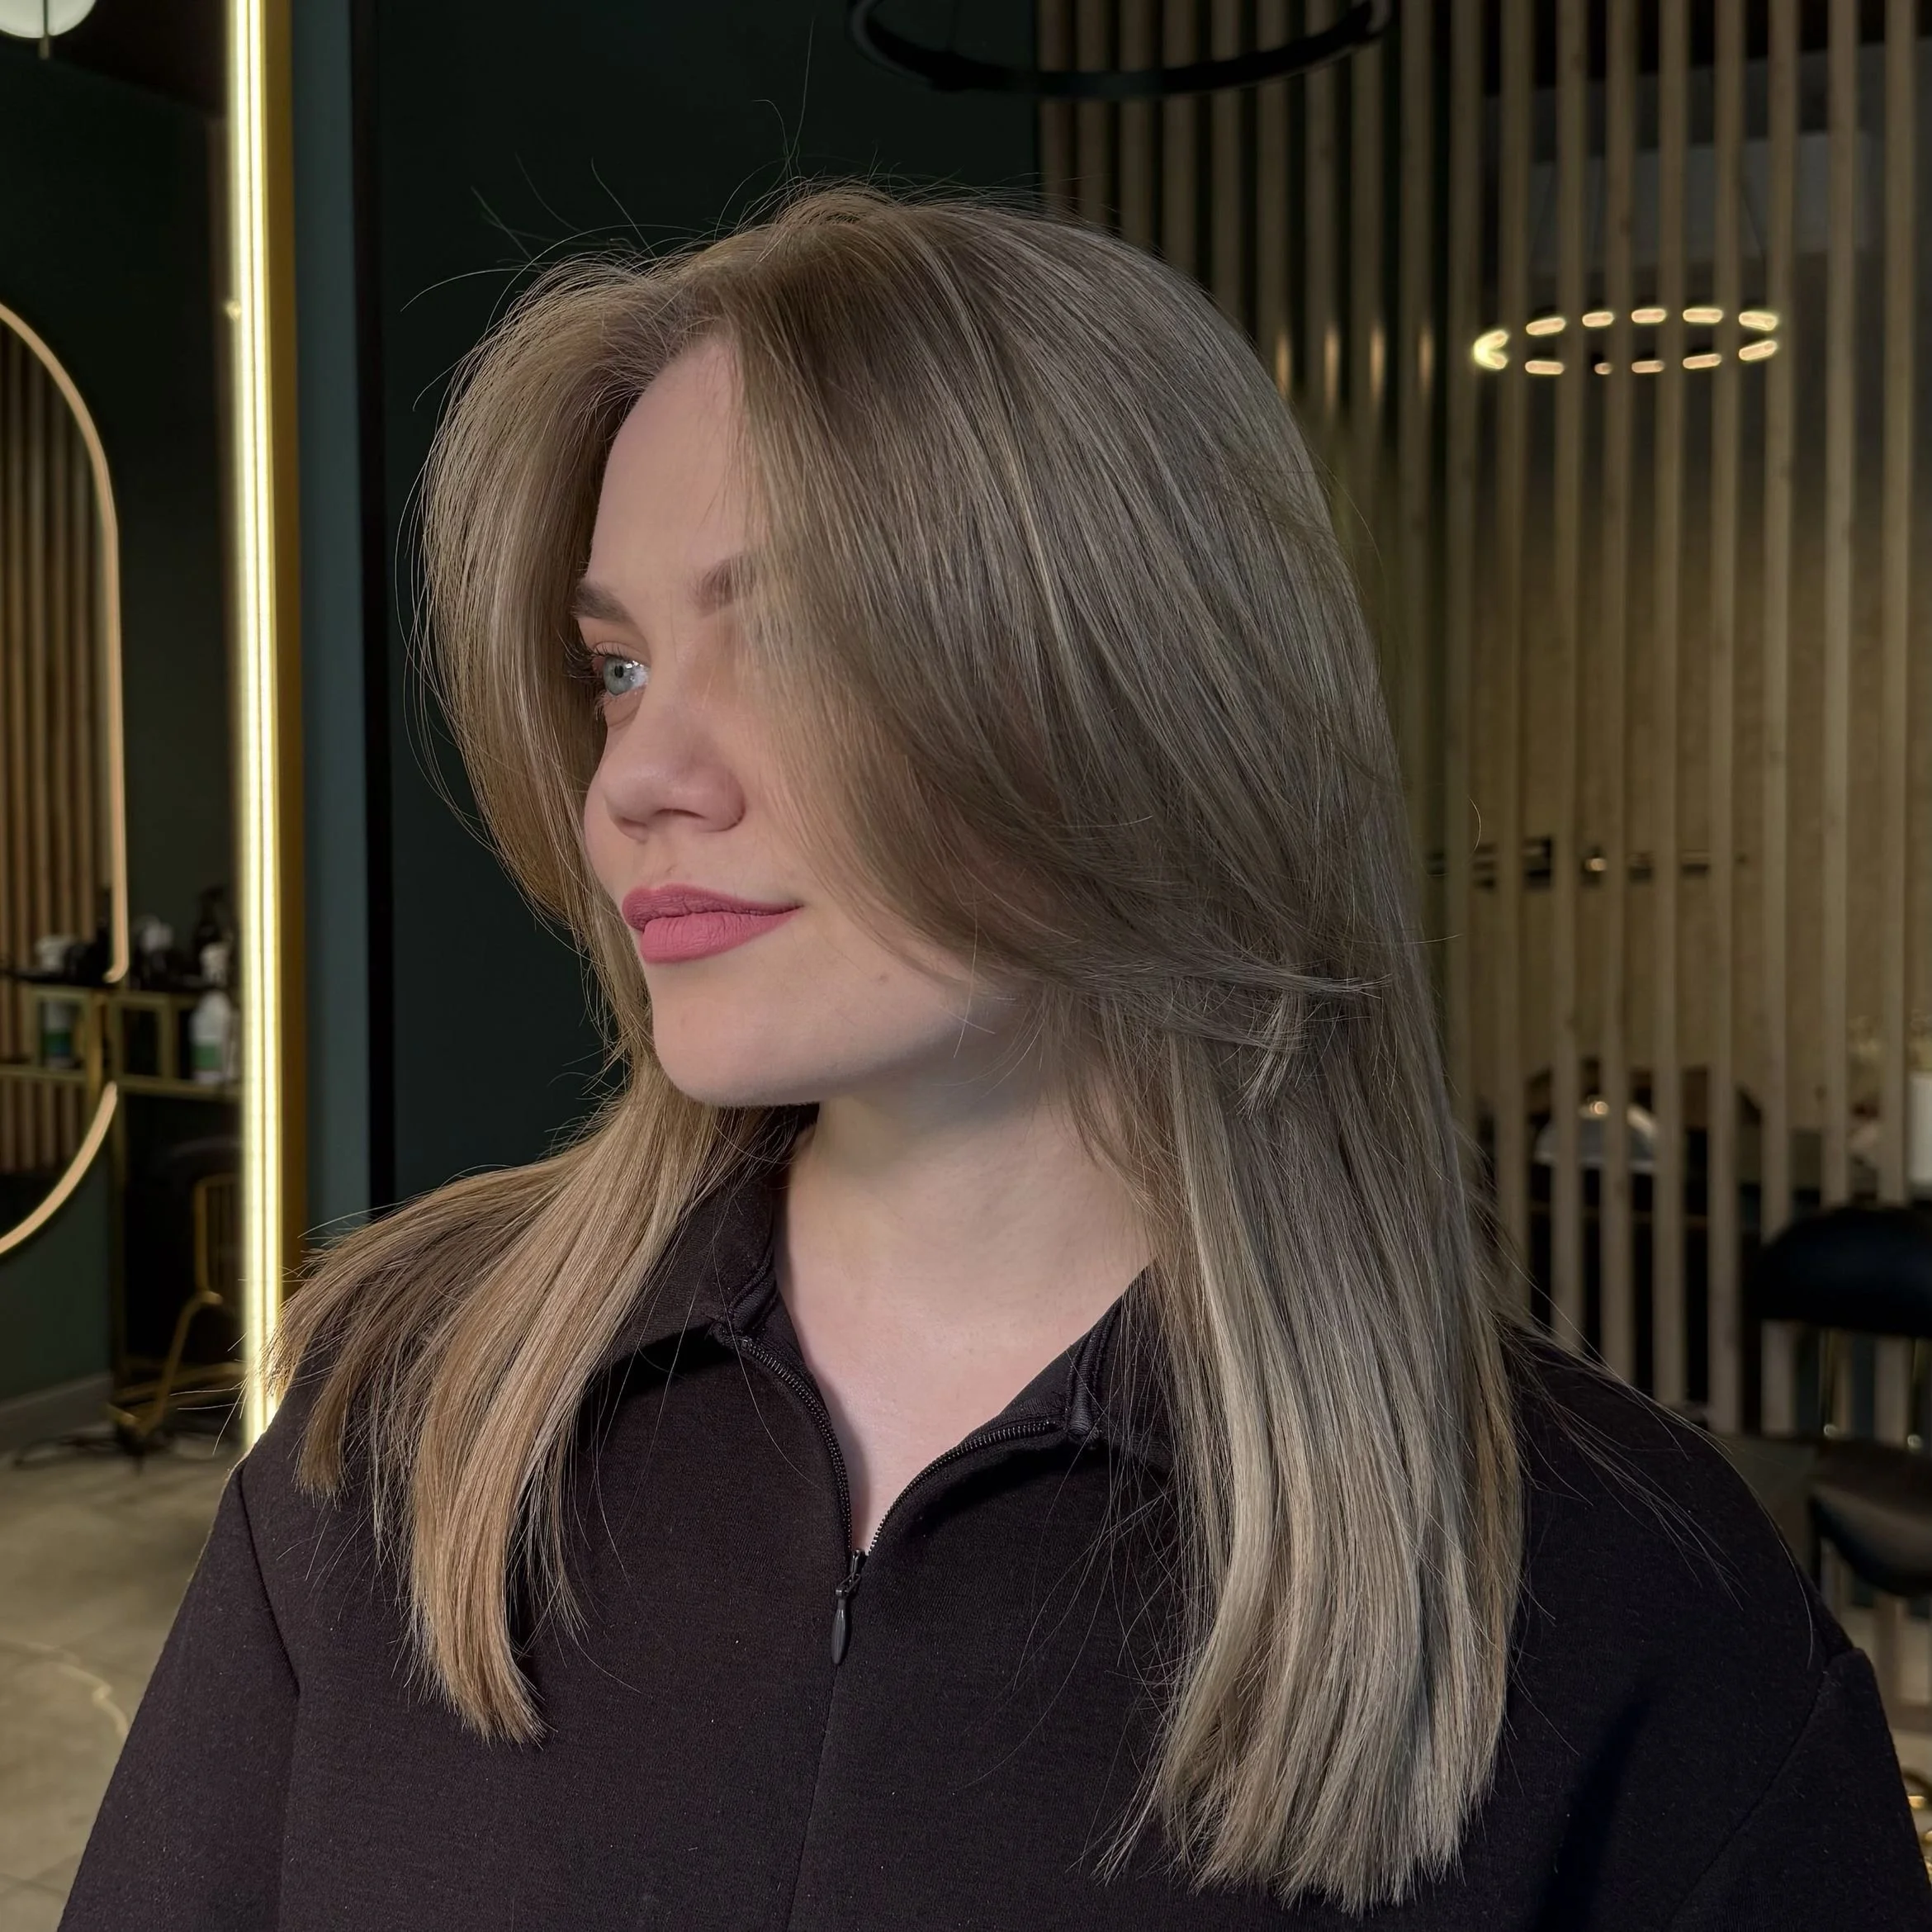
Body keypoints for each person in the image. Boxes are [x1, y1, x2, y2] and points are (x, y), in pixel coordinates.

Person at [61, 185, 1928, 1930]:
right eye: (618, 669)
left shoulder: (1629, 1609)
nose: (636, 778)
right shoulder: (412, 1419)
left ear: (1145, 692)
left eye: (790, 641)